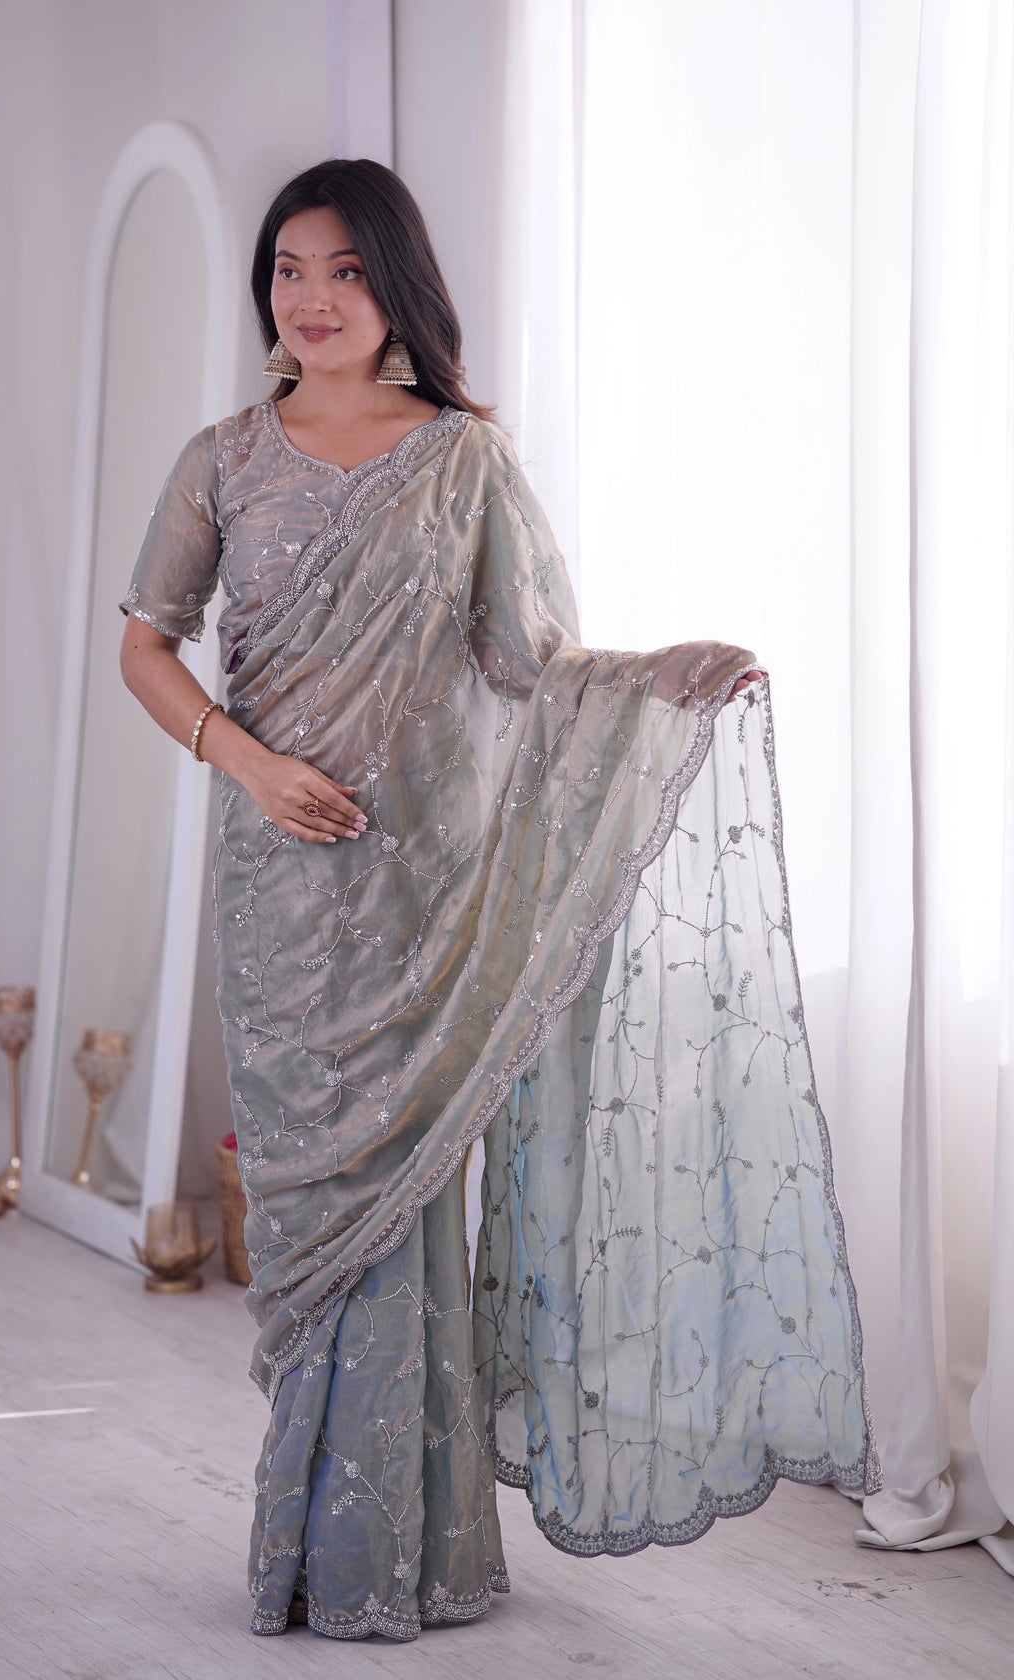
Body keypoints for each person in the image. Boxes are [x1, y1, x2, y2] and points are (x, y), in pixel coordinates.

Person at [119, 158, 880, 1642]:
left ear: (394, 283)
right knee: (313, 1222)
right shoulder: (221, 457)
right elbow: (150, 643)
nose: (312, 298)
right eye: (288, 269)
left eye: (343, 269)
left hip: (423, 901)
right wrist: (250, 764)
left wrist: (670, 679)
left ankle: (392, 1557)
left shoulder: (465, 460)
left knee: (405, 1214)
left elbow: (535, 664)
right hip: (278, 889)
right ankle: (318, 1547)